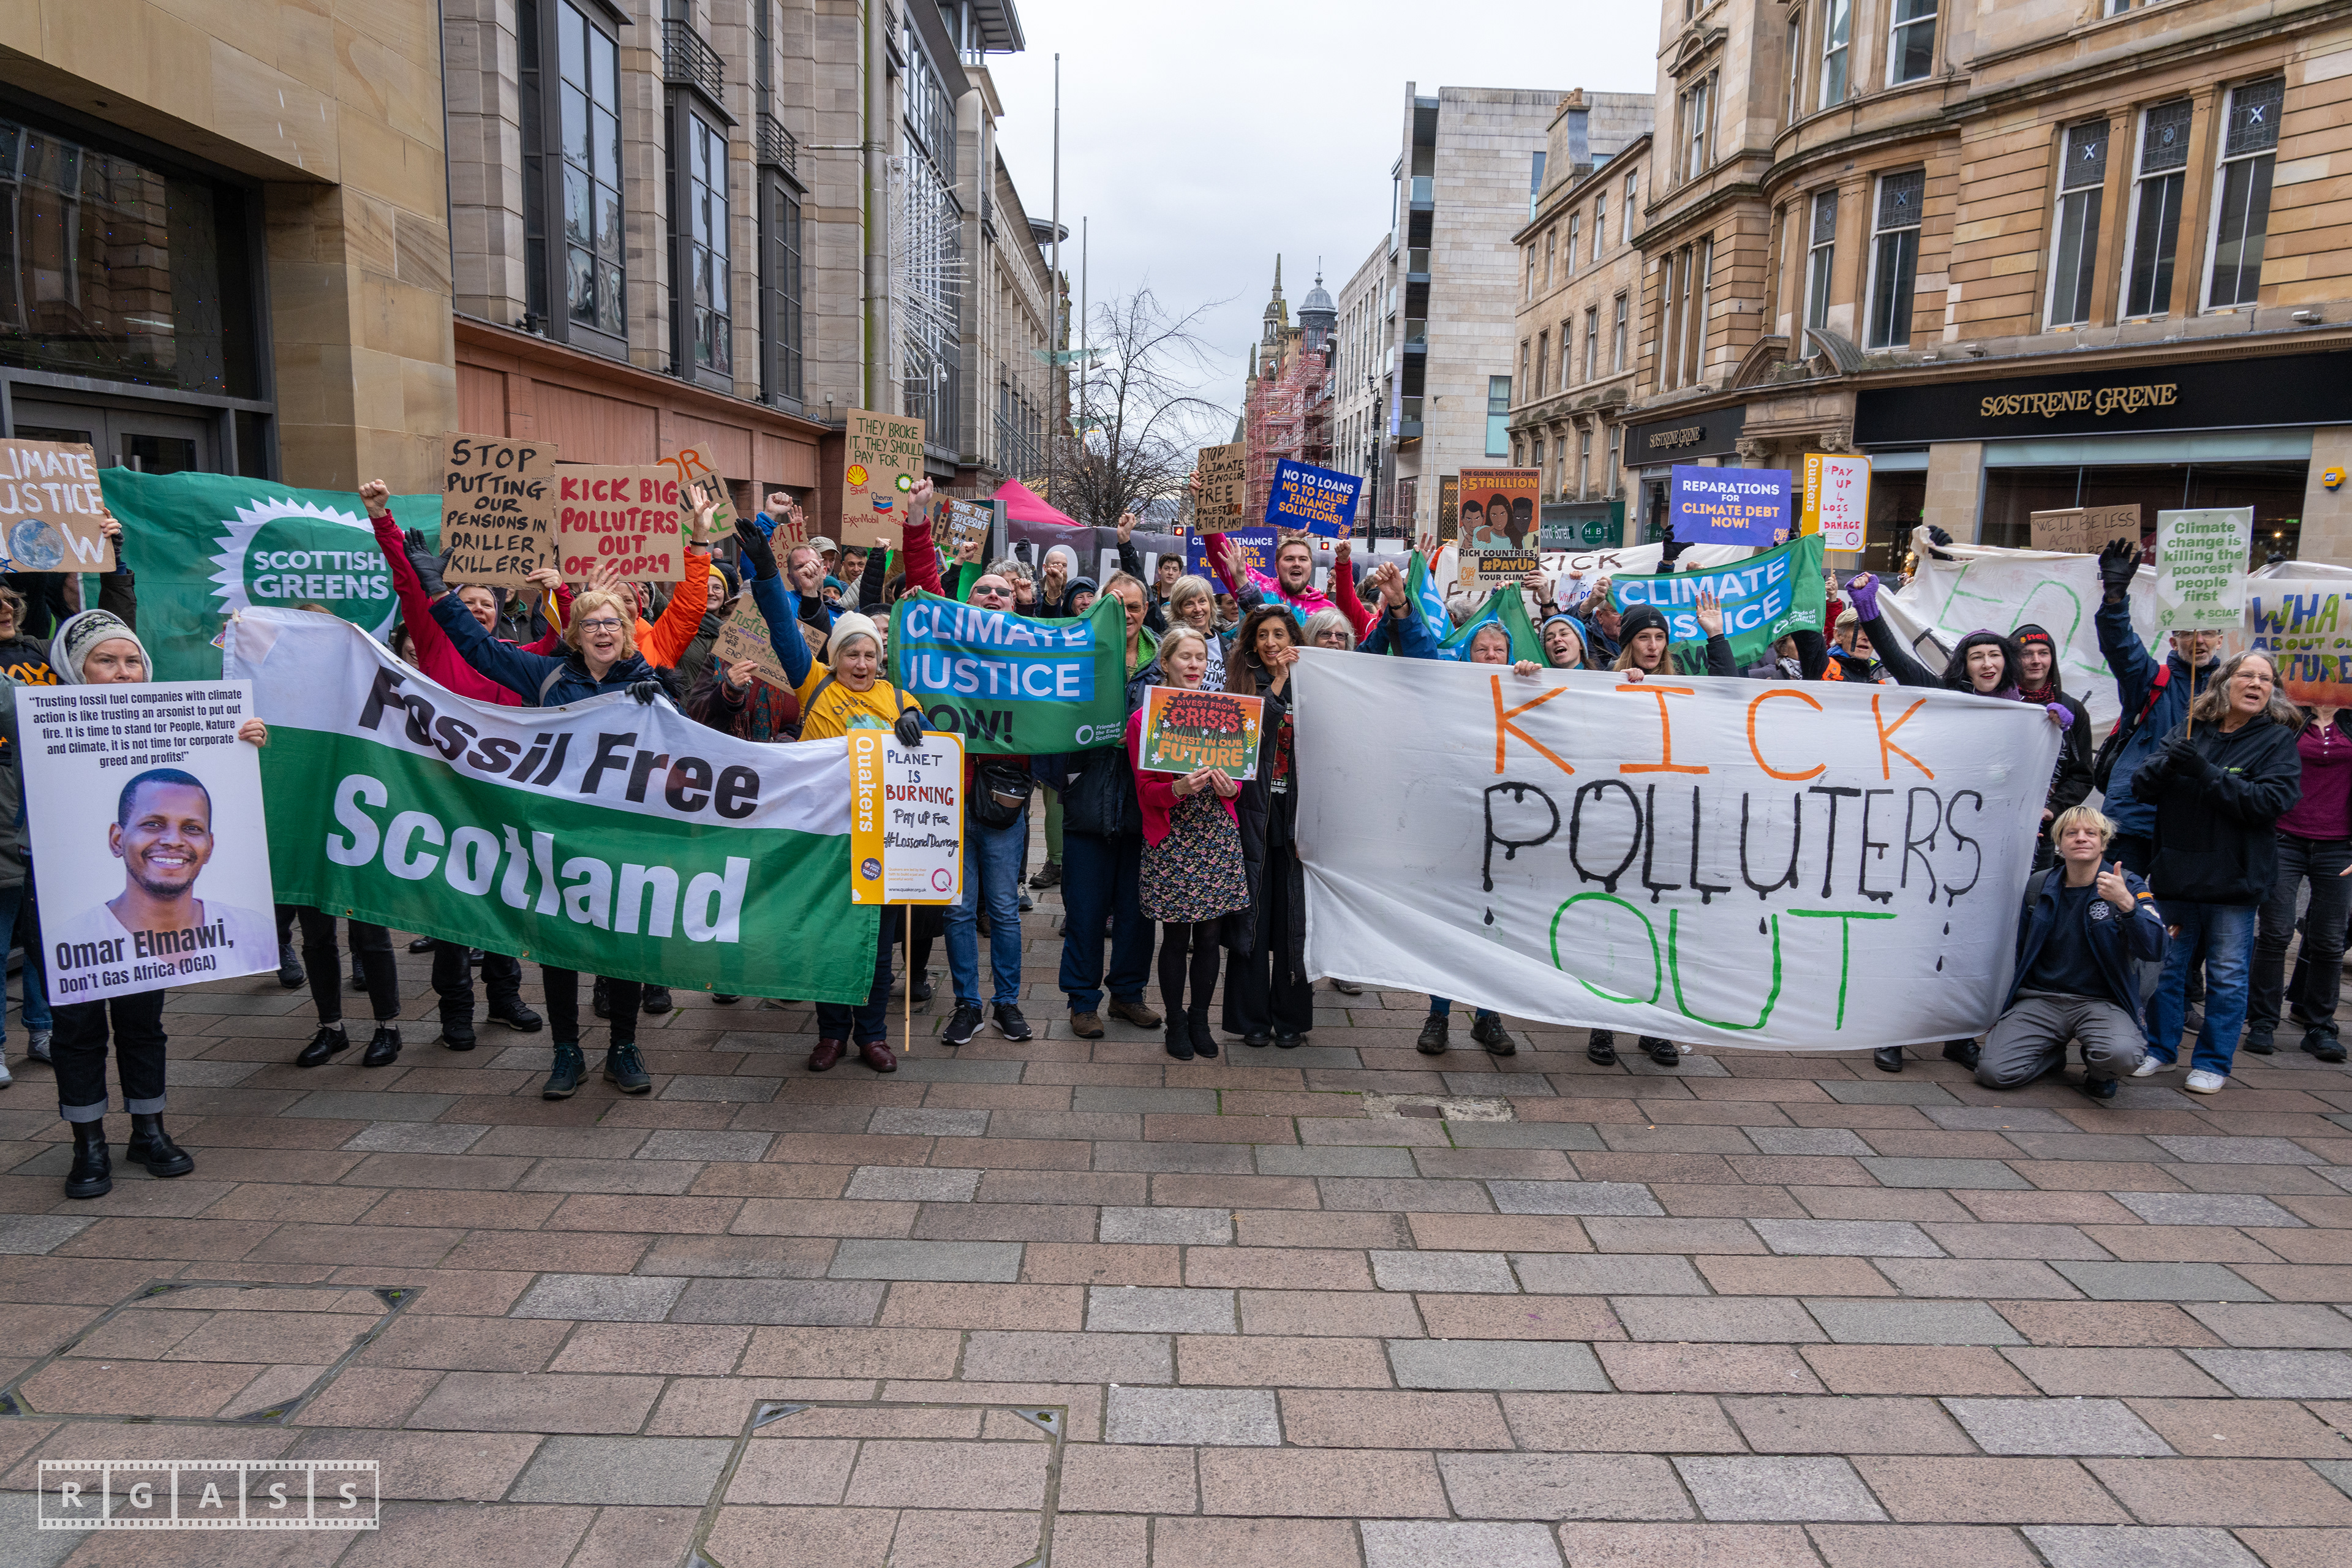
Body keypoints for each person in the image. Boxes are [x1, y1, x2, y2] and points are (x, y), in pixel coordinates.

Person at [424, 490, 727, 1098]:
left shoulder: (647, 681)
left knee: (627, 943)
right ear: (576, 633)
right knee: (560, 944)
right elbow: (478, 649)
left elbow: (680, 750)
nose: (603, 631)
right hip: (559, 831)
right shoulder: (547, 675)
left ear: (626, 631)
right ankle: (566, 1050)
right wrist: (437, 592)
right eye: (591, 623)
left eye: (612, 622)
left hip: (626, 833)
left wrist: (661, 699)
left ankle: (623, 1046)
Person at [43, 602, 268, 1199]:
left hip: (144, 926)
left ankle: (149, 1129)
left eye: (132, 661)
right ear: (74, 668)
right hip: (65, 902)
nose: (123, 673)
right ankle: (88, 1142)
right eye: (105, 661)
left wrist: (242, 739)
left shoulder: (171, 722)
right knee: (78, 1025)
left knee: (143, 1021)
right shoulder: (37, 725)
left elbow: (216, 764)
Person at [1846, 575, 2076, 1074]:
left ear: (2007, 662)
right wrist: (1869, 611)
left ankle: (1960, 1035)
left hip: (1998, 850)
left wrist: (2055, 737)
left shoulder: (2031, 716)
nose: (1987, 664)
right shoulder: (1945, 696)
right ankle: (1896, 1033)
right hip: (1939, 841)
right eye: (1977, 657)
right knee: (1921, 938)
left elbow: (2056, 778)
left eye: (1995, 656)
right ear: (1964, 665)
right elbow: (1899, 660)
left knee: (1977, 945)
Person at [2127, 649, 2304, 1095]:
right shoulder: (2191, 729)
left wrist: (2204, 772)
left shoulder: (2276, 741)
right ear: (2224, 682)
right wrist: (2168, 763)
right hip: (2177, 875)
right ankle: (2160, 1049)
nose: (2257, 684)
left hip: (2233, 882)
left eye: (2266, 679)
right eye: (2248, 675)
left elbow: (2267, 802)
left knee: (2226, 975)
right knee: (2165, 968)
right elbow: (2141, 786)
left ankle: (2212, 1062)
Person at [1036, 572, 1165, 1041]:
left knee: (1138, 912)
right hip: (1087, 803)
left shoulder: (1164, 661)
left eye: (1133, 606)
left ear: (1146, 610)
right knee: (1086, 912)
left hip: (1143, 808)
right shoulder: (1076, 656)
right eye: (1115, 604)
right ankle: (1083, 1001)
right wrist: (1066, 778)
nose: (1125, 614)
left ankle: (1128, 995)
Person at [1976, 807, 2163, 1099]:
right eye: (2071, 833)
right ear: (2059, 844)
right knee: (1994, 1073)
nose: (2081, 838)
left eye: (2091, 833)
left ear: (2103, 842)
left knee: (2122, 1055)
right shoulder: (2039, 884)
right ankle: (2051, 1053)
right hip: (2041, 998)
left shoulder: (2126, 884)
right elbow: (2019, 949)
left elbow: (2156, 948)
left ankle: (2101, 1071)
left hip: (2103, 1001)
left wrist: (2127, 904)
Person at [1129, 625, 1246, 1061]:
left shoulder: (1227, 713)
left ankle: (1200, 1020)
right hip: (1173, 838)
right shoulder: (1144, 720)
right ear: (1166, 663)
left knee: (1211, 936)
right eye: (1185, 657)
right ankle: (1176, 1022)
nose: (1194, 665)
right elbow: (1144, 793)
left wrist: (1231, 789)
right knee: (1176, 938)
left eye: (1201, 657)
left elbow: (1239, 780)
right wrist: (1177, 789)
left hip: (1215, 835)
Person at [1416, 622, 1525, 1057]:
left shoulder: (1525, 694)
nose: (1491, 656)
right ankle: (1438, 1014)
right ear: (1467, 653)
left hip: (1506, 834)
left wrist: (1533, 678)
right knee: (1450, 922)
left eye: (1499, 649)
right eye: (1482, 649)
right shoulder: (1448, 695)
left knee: (1495, 926)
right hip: (1455, 827)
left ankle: (1487, 1015)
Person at [941, 560, 1035, 1048]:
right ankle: (966, 1004)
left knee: (1002, 910)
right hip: (950, 799)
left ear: (1015, 603)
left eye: (1002, 591)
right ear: (967, 602)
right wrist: (916, 529)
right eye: (984, 590)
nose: (994, 596)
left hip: (1002, 803)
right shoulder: (945, 649)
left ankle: (1007, 1003)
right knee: (958, 912)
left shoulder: (1033, 652)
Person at [2093, 537, 2225, 875]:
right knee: (2118, 899)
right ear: (2173, 641)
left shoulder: (2231, 690)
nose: (2199, 640)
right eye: (2188, 633)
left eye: (2208, 633)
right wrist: (2115, 598)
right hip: (2134, 816)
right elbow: (2121, 648)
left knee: (2176, 908)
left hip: (2194, 820)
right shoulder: (2151, 679)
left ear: (2221, 640)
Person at [2244, 698, 2352, 1063]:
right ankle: (2262, 1021)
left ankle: (2320, 1026)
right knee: (2275, 933)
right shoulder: (2286, 716)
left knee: (2330, 940)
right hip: (2283, 838)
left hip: (2339, 846)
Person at [1224, 604, 1313, 1047]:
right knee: (1252, 923)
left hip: (1299, 819)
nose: (1272, 642)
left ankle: (1291, 1018)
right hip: (1254, 817)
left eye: (1280, 634)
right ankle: (1252, 1020)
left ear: (1294, 639)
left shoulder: (1316, 685)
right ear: (1252, 643)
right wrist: (1277, 682)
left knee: (1293, 921)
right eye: (1263, 635)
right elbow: (1250, 737)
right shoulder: (1242, 684)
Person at [2012, 623, 2095, 869]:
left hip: (2043, 830)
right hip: (1991, 822)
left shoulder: (2071, 710)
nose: (2036, 661)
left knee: (2036, 889)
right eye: (2027, 654)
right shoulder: (1994, 704)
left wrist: (2054, 809)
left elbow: (2082, 775)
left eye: (2044, 653)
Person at [1166, 575, 1228, 688]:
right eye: (1189, 604)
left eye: (1202, 601)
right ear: (1178, 610)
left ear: (1211, 604)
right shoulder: (1170, 646)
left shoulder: (1228, 647)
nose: (1198, 609)